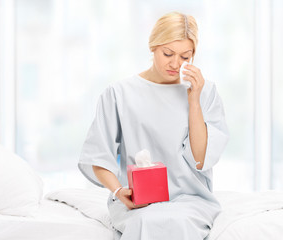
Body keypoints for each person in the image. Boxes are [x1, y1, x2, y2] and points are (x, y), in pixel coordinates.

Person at [78, 11, 229, 240]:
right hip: (139, 203)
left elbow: (200, 158)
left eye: (185, 57)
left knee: (179, 223)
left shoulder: (205, 92)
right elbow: (97, 156)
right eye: (167, 53)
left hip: (191, 200)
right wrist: (119, 192)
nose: (175, 63)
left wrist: (194, 101)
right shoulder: (119, 94)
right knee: (146, 222)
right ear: (153, 47)